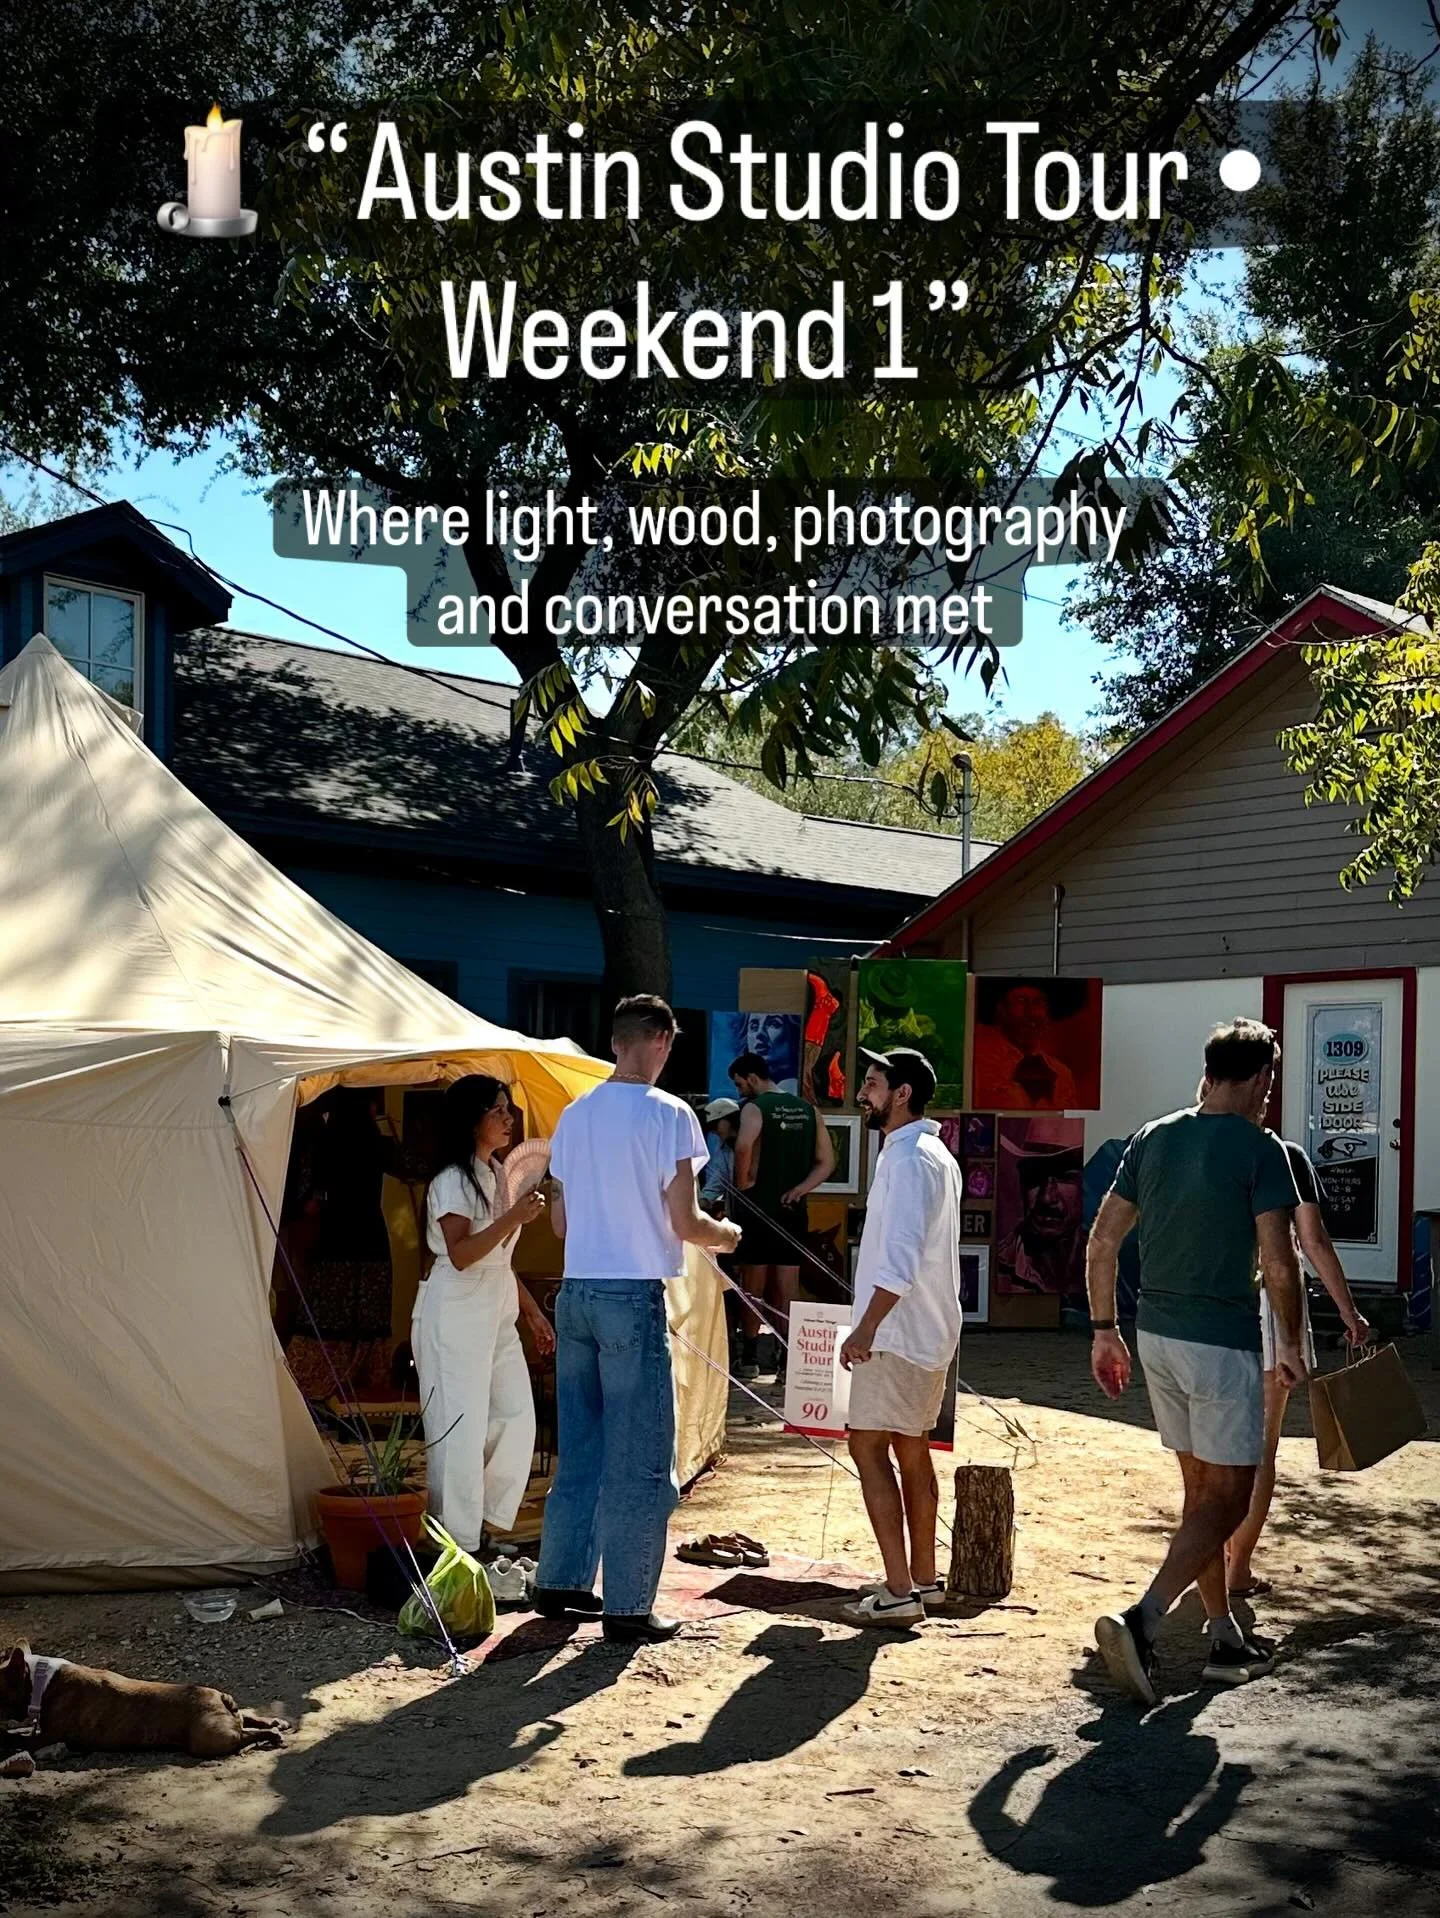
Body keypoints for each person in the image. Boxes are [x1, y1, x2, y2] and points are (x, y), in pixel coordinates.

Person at [1087, 1019, 1306, 1705]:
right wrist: (1294, 1343)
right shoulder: (1261, 1148)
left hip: (1155, 1334)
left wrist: (1103, 1329)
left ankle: (1222, 1632)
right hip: (1221, 1341)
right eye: (1269, 1082)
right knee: (1230, 1498)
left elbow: (1102, 1242)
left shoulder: (1152, 1137)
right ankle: (1143, 1620)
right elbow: (1277, 1261)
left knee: (1199, 1498)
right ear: (1261, 1079)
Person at [534, 996, 742, 1643]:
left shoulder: (575, 1114)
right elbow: (685, 1222)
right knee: (642, 1459)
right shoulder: (671, 1114)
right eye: (671, 1044)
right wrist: (727, 1234)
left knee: (584, 1448)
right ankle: (627, 1604)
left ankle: (561, 1581)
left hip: (576, 1294)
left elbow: (560, 1221)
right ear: (656, 1039)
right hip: (630, 1296)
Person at [839, 1047, 964, 1628]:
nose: (863, 1093)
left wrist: (865, 1327)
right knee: (910, 1449)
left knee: (868, 1446)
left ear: (903, 1092)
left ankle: (900, 1590)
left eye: (871, 1083)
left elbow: (901, 1257)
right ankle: (920, 1580)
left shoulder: (913, 1158)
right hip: (922, 1332)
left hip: (897, 1333)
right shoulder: (924, 1152)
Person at [411, 1076, 554, 1551]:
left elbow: (499, 1260)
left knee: (517, 1417)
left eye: (508, 1108)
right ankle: (459, 1540)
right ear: (471, 1120)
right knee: (460, 1425)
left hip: (495, 1306)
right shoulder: (452, 1180)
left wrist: (532, 1313)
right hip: (455, 1309)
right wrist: (514, 1218)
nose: (508, 1118)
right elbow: (462, 1254)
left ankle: (483, 1523)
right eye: (497, 1110)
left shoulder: (496, 1175)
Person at [1226, 1133, 1371, 1598]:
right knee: (1261, 1449)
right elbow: (1312, 1240)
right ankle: (1237, 1568)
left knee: (1216, 1451)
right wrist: (1348, 1311)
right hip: (1273, 1306)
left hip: (1210, 1306)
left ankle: (1216, 1560)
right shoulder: (1288, 1157)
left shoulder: (1200, 1148)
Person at [729, 1049, 834, 1380]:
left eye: (739, 1083)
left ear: (753, 1078)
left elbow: (744, 1145)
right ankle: (789, 1360)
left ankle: (749, 1356)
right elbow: (827, 1162)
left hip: (757, 1209)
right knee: (787, 1287)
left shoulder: (755, 1109)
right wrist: (802, 1188)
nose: (739, 1090)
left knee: (753, 1285)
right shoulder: (808, 1110)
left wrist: (743, 1182)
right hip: (792, 1210)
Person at [994, 1118, 1086, 1295]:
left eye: (1063, 1177)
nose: (1046, 1198)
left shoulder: (1105, 1263)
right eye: (1035, 1177)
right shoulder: (1000, 1265)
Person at [973, 980, 1078, 1111]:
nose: (1032, 1012)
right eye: (1021, 1001)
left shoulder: (1062, 1074)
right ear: (1001, 1010)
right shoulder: (977, 1061)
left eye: (1038, 1002)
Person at [699, 1096, 740, 1214]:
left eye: (714, 1126)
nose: (714, 1132)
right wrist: (703, 1200)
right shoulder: (724, 1150)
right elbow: (718, 1180)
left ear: (728, 1120)